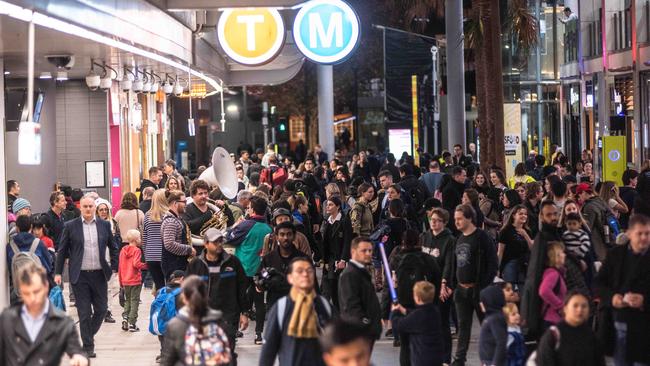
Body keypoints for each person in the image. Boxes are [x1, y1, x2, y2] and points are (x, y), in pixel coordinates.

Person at [54, 195, 119, 358]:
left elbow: (114, 247)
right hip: (79, 276)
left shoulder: (104, 225)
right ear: (80, 208)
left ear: (94, 208)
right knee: (84, 313)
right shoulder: (70, 226)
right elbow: (62, 251)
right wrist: (57, 273)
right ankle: (88, 347)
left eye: (91, 206)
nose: (88, 209)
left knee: (102, 310)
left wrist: (115, 267)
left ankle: (87, 335)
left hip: (99, 275)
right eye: (85, 206)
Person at [0, 262, 89, 366]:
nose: (32, 299)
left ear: (46, 286)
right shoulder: (7, 319)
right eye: (26, 293)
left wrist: (79, 358)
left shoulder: (62, 323)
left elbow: (75, 349)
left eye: (36, 292)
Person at [186, 228, 250, 365]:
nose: (219, 245)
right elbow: (187, 291)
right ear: (206, 244)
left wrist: (244, 313)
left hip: (228, 317)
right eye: (215, 242)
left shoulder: (233, 263)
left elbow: (242, 288)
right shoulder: (195, 265)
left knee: (227, 354)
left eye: (221, 241)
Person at [595, 214, 650, 365]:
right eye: (640, 233)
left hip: (644, 328)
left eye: (648, 233)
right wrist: (613, 298)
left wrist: (644, 300)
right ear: (629, 233)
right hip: (617, 323)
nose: (644, 238)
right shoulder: (615, 255)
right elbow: (599, 284)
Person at [446, 204, 498, 366]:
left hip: (479, 289)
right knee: (463, 327)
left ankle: (490, 358)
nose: (457, 222)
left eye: (460, 219)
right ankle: (459, 359)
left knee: (486, 325)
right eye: (455, 219)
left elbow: (492, 263)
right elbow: (455, 264)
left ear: (469, 218)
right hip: (462, 290)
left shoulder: (482, 237)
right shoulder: (459, 238)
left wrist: (484, 287)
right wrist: (452, 284)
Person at [259, 258, 333, 366]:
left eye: (309, 271)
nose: (305, 274)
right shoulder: (281, 308)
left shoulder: (324, 306)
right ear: (290, 278)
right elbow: (268, 351)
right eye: (299, 271)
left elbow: (338, 344)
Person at [225, 195, 272, 345]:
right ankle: (259, 334)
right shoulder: (268, 228)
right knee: (259, 302)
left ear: (252, 210)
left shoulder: (245, 225)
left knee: (237, 299)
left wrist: (235, 226)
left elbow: (229, 238)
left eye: (249, 207)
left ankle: (235, 329)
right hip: (260, 270)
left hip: (243, 268)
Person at [161, 275, 232, 366]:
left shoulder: (175, 325)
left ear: (184, 298)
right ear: (206, 295)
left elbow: (168, 360)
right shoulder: (219, 321)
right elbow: (228, 357)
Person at [420, 208, 455, 364]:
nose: (433, 222)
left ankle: (445, 358)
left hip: (441, 286)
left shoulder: (449, 240)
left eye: (437, 220)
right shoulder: (424, 237)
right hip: (424, 287)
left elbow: (449, 264)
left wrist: (444, 283)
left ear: (444, 222)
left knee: (442, 323)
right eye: (431, 219)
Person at [534, 290, 606, 366]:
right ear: (565, 308)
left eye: (584, 306)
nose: (580, 310)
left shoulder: (592, 337)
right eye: (575, 305)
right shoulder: (554, 335)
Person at [339, 237, 382, 342]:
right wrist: (366, 325)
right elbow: (351, 306)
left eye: (370, 250)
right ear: (353, 252)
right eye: (364, 251)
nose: (368, 253)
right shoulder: (350, 274)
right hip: (358, 333)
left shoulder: (361, 271)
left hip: (365, 332)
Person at [391, 281, 444, 366]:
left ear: (418, 298)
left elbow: (398, 325)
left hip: (422, 360)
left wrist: (394, 312)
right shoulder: (434, 311)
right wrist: (405, 310)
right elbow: (417, 315)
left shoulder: (418, 316)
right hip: (436, 357)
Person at [320, 196, 353, 309]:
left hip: (339, 259)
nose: (327, 207)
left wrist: (344, 259)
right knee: (327, 287)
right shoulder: (327, 221)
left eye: (330, 205)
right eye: (327, 205)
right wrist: (323, 260)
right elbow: (325, 242)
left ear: (338, 206)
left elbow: (347, 241)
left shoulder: (344, 221)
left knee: (337, 287)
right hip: (329, 260)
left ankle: (340, 312)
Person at [160, 190, 195, 279]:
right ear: (175, 203)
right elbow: (169, 244)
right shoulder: (171, 221)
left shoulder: (176, 219)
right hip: (174, 266)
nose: (186, 204)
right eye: (184, 202)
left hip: (178, 264)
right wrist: (189, 249)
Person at [118, 229, 147, 332]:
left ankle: (125, 317)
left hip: (125, 280)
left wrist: (120, 281)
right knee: (134, 301)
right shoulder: (137, 250)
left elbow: (120, 266)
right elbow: (136, 264)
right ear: (136, 239)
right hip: (135, 280)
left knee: (127, 300)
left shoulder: (123, 250)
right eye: (139, 238)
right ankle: (132, 323)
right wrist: (146, 265)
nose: (140, 239)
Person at [497, 205, 533, 288]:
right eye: (521, 214)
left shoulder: (527, 231)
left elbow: (532, 248)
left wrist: (525, 234)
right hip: (509, 263)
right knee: (510, 288)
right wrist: (497, 269)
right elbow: (500, 252)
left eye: (525, 214)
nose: (524, 216)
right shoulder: (505, 231)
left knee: (522, 289)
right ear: (513, 215)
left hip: (524, 264)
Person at [143, 189, 168, 292]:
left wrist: (146, 254)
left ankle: (159, 305)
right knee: (169, 285)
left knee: (159, 285)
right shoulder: (168, 214)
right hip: (165, 254)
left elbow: (145, 237)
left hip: (151, 256)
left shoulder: (147, 215)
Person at [577, 183, 610, 261]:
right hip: (606, 236)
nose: (579, 198)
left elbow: (588, 227)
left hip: (597, 242)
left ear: (584, 193)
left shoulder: (589, 207)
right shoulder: (600, 200)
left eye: (579, 195)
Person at [538, 242, 567, 328]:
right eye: (562, 252)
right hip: (553, 320)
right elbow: (544, 291)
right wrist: (560, 306)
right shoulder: (553, 274)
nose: (564, 255)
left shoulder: (556, 273)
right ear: (556, 256)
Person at [478, 285, 507, 366]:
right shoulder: (491, 317)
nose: (480, 304)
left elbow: (501, 341)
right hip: (487, 361)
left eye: (482, 301)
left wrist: (495, 363)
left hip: (491, 361)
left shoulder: (494, 319)